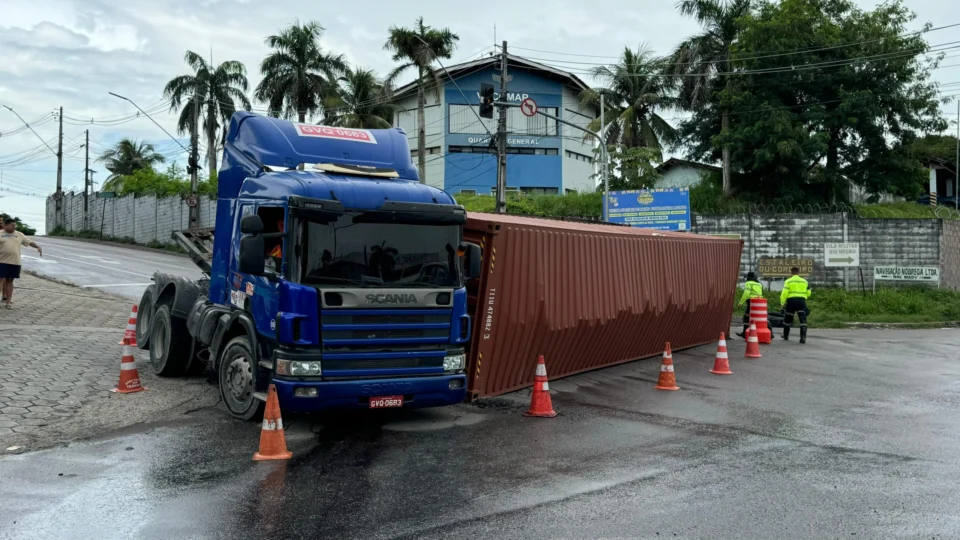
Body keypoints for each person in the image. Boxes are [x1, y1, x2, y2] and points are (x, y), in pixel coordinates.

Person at [0, 218, 42, 309]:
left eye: (15, 225)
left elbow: (29, 242)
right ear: (6, 225)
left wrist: (37, 246)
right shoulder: (0, 234)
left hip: (15, 262)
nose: (14, 227)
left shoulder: (19, 234)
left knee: (10, 281)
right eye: (12, 225)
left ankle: (8, 302)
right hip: (1, 261)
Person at [780, 267, 811, 343]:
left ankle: (786, 335)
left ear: (791, 273)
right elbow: (809, 292)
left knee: (788, 318)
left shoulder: (788, 281)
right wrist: (804, 297)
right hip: (801, 301)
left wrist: (782, 303)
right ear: (798, 272)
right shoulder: (804, 281)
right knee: (803, 320)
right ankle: (803, 338)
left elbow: (784, 293)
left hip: (791, 301)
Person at [736, 271, 764, 339]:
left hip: (751, 301)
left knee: (746, 317)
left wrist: (740, 302)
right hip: (759, 302)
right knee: (758, 318)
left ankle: (744, 334)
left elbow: (746, 293)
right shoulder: (759, 284)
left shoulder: (748, 283)